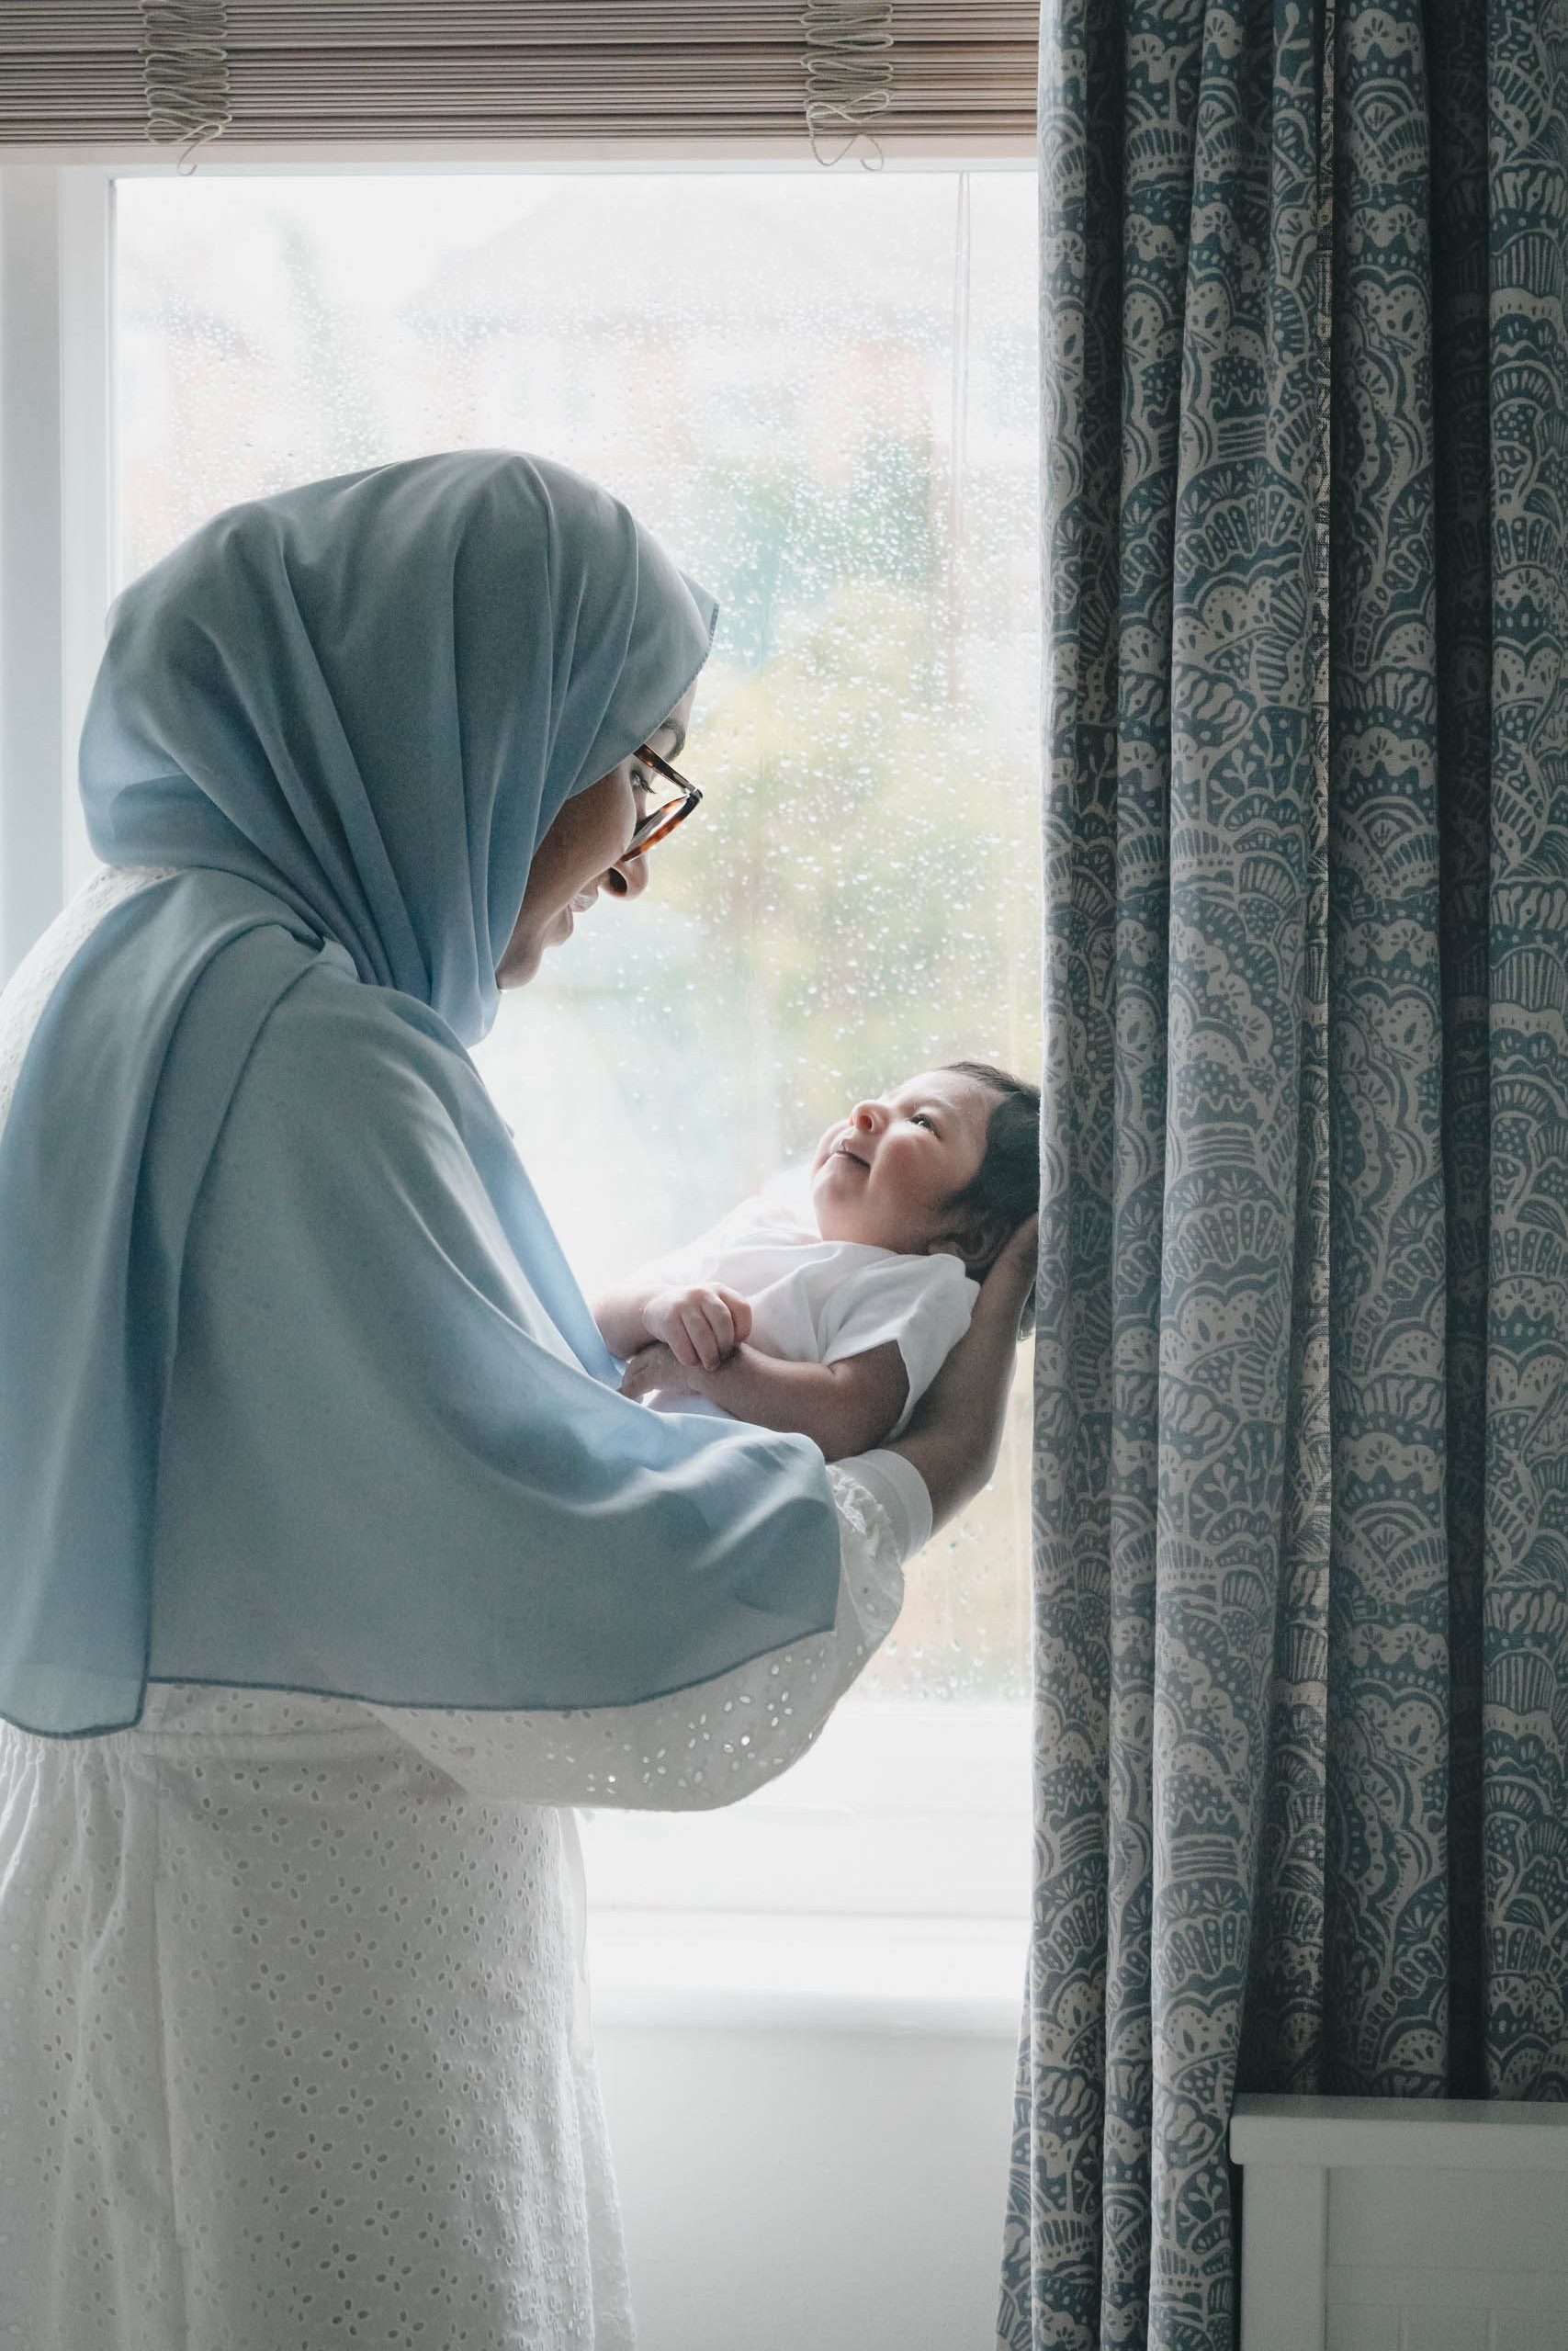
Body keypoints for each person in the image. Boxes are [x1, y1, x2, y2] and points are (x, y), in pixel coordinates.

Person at [0, 451, 1037, 2351]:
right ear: (461, 725)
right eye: (632, 764)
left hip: (121, 1908)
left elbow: (290, 1436)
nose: (637, 857)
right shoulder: (313, 1051)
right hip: (305, 1964)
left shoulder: (117, 969)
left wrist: (575, 1322)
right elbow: (539, 1562)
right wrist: (915, 1480)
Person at [594, 1062, 1040, 1460]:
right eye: (885, 1098)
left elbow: (845, 1415)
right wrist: (656, 1310)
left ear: (969, 1236)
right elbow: (598, 1323)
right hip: (627, 1455)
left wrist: (705, 1371)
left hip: (715, 1504)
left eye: (922, 1121)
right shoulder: (761, 1223)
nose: (865, 1110)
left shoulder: (918, 1283)